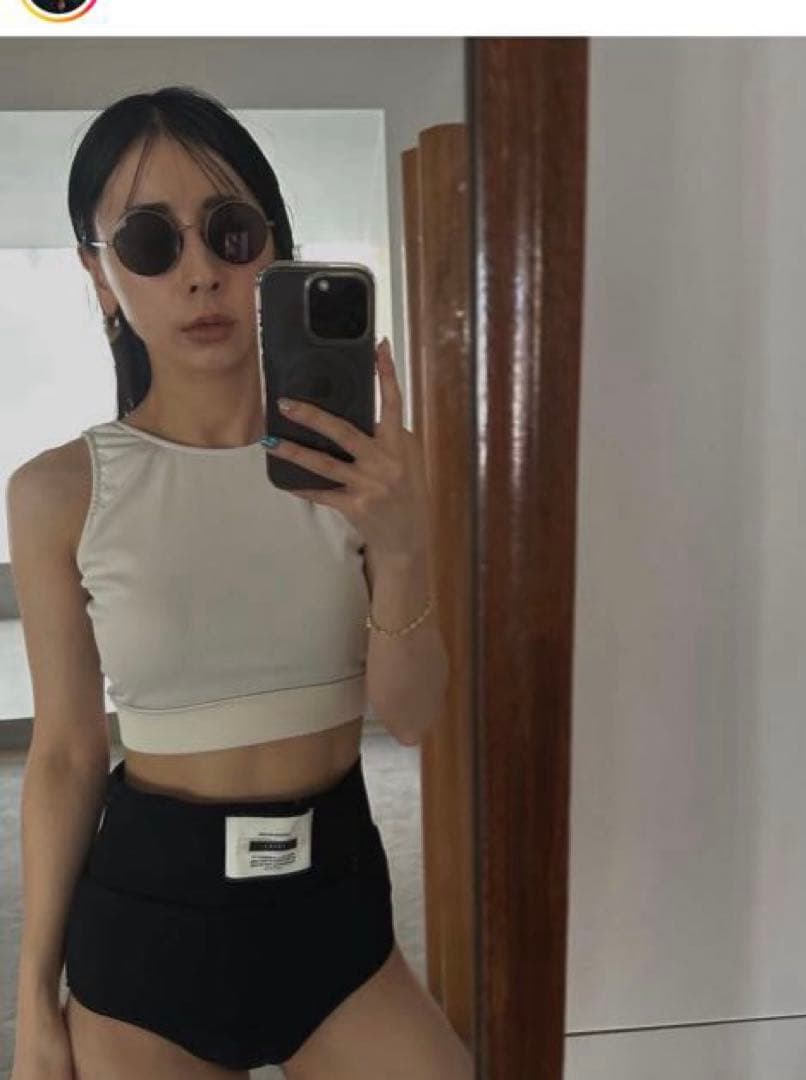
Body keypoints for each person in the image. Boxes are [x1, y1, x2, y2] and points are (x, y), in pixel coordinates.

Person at [9, 85, 471, 1078]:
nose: (200, 273)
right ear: (100, 275)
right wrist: (32, 1005)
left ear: (273, 250)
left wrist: (400, 547)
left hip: (338, 921)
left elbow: (414, 716)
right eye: (149, 241)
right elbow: (64, 756)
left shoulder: (370, 472)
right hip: (148, 942)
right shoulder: (58, 493)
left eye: (230, 231)